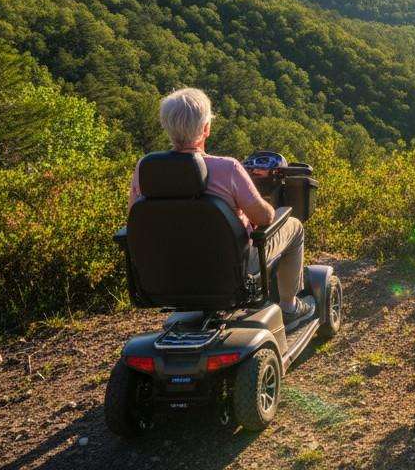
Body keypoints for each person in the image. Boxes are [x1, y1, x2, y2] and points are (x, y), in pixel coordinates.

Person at [129, 87, 315, 329]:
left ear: (167, 127)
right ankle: (290, 308)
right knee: (293, 225)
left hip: (169, 273)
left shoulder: (146, 168)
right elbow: (265, 218)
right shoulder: (228, 169)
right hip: (232, 269)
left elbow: (136, 220)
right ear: (206, 128)